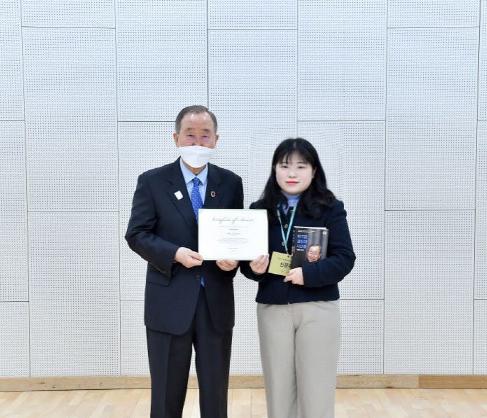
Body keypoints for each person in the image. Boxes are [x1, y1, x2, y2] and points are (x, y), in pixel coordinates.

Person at [125, 105, 243, 418]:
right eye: (190, 135)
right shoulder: (152, 182)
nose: (197, 142)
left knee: (215, 395)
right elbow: (137, 234)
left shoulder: (231, 183)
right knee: (165, 395)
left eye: (205, 136)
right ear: (176, 137)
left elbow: (235, 237)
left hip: (215, 302)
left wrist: (234, 263)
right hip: (168, 302)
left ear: (216, 140)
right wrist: (174, 253)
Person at [240, 138, 355, 418]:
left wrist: (308, 274)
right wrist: (254, 268)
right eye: (285, 166)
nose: (292, 174)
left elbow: (344, 258)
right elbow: (245, 264)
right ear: (274, 170)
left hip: (318, 308)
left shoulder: (330, 208)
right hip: (273, 308)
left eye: (301, 166)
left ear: (314, 171)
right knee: (278, 387)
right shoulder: (258, 210)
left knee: (317, 387)